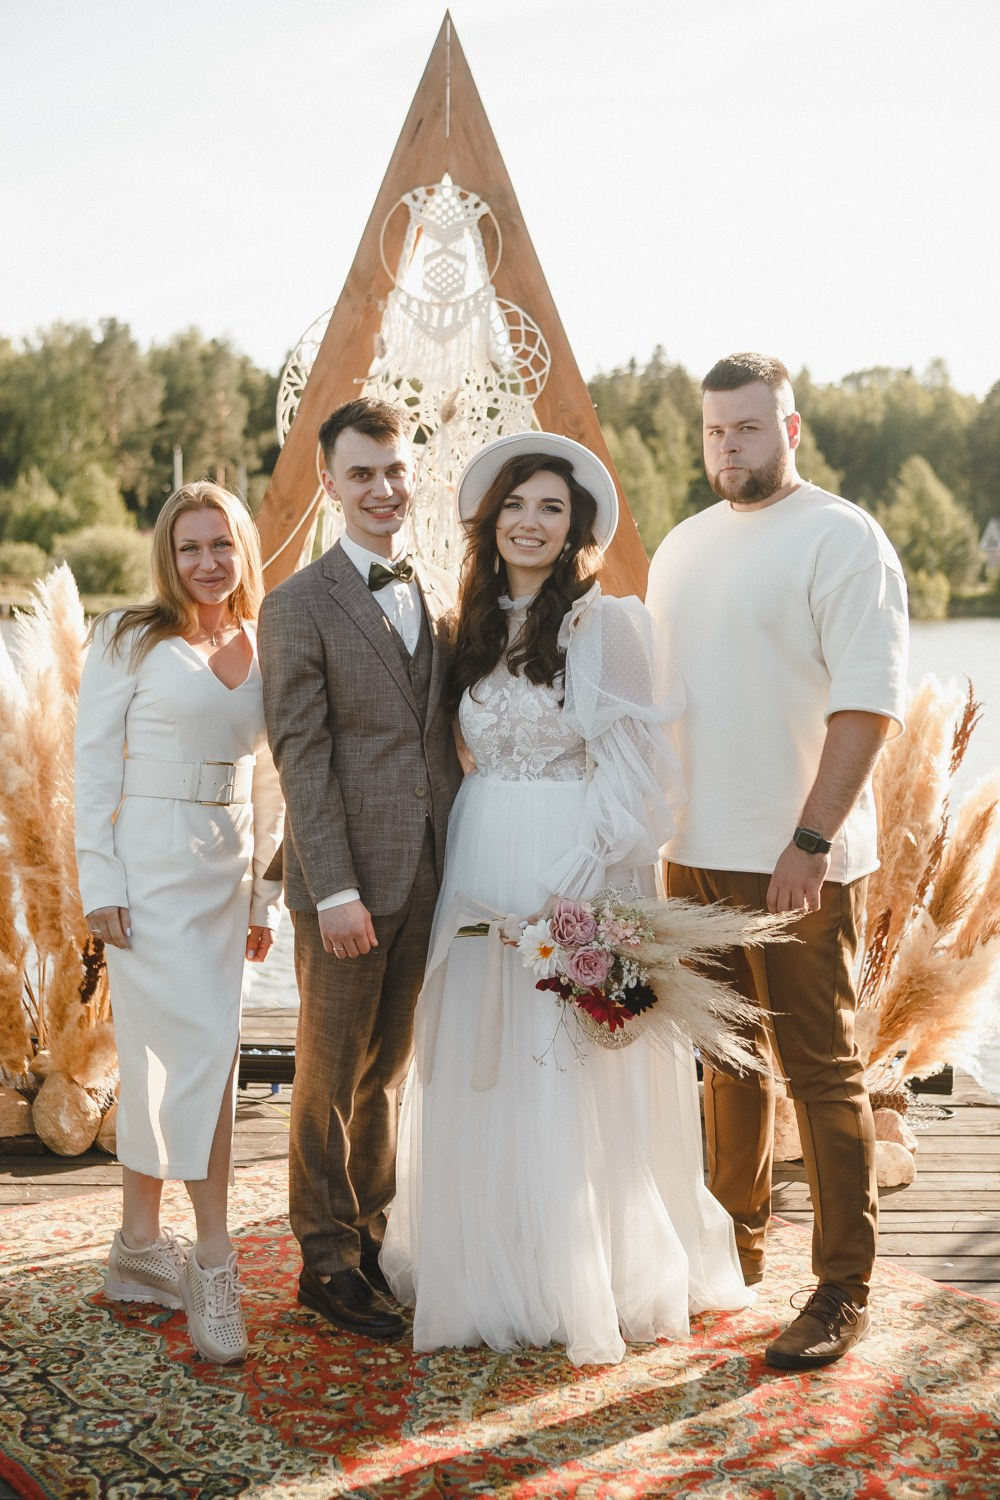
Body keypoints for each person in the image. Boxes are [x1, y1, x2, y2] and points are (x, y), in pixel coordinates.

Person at [380, 431, 753, 1367]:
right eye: (516, 504)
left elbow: (642, 771)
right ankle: (488, 1259)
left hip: (571, 854)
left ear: (576, 526)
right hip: (482, 846)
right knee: (482, 1054)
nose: (530, 522)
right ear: (491, 519)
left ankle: (578, 1269)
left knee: (571, 1061)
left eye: (551, 507)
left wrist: (587, 872)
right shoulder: (467, 625)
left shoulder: (607, 624)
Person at [645, 352, 909, 1370]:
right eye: (714, 431)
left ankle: (842, 1283)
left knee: (821, 1071)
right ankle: (731, 1250)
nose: (729, 448)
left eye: (748, 429)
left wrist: (809, 839)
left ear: (788, 429)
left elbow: (867, 703)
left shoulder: (842, 538)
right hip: (691, 852)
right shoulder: (678, 549)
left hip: (796, 856)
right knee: (724, 1066)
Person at [257, 398, 462, 1341]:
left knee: (388, 1072)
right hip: (344, 884)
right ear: (331, 485)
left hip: (428, 873)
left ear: (410, 474)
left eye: (394, 470)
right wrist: (333, 888)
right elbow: (302, 753)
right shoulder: (297, 604)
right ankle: (323, 1260)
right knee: (327, 1077)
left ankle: (370, 1234)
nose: (382, 489)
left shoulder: (438, 594)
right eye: (362, 474)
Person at [74, 481, 284, 1365]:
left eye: (221, 546)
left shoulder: (264, 643)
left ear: (243, 551)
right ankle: (211, 1258)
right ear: (170, 554)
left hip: (226, 869)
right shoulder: (128, 636)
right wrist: (98, 880)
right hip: (150, 869)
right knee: (187, 1051)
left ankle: (133, 1245)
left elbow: (273, 778)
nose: (207, 562)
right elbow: (91, 765)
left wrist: (264, 896)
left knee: (197, 1053)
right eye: (191, 547)